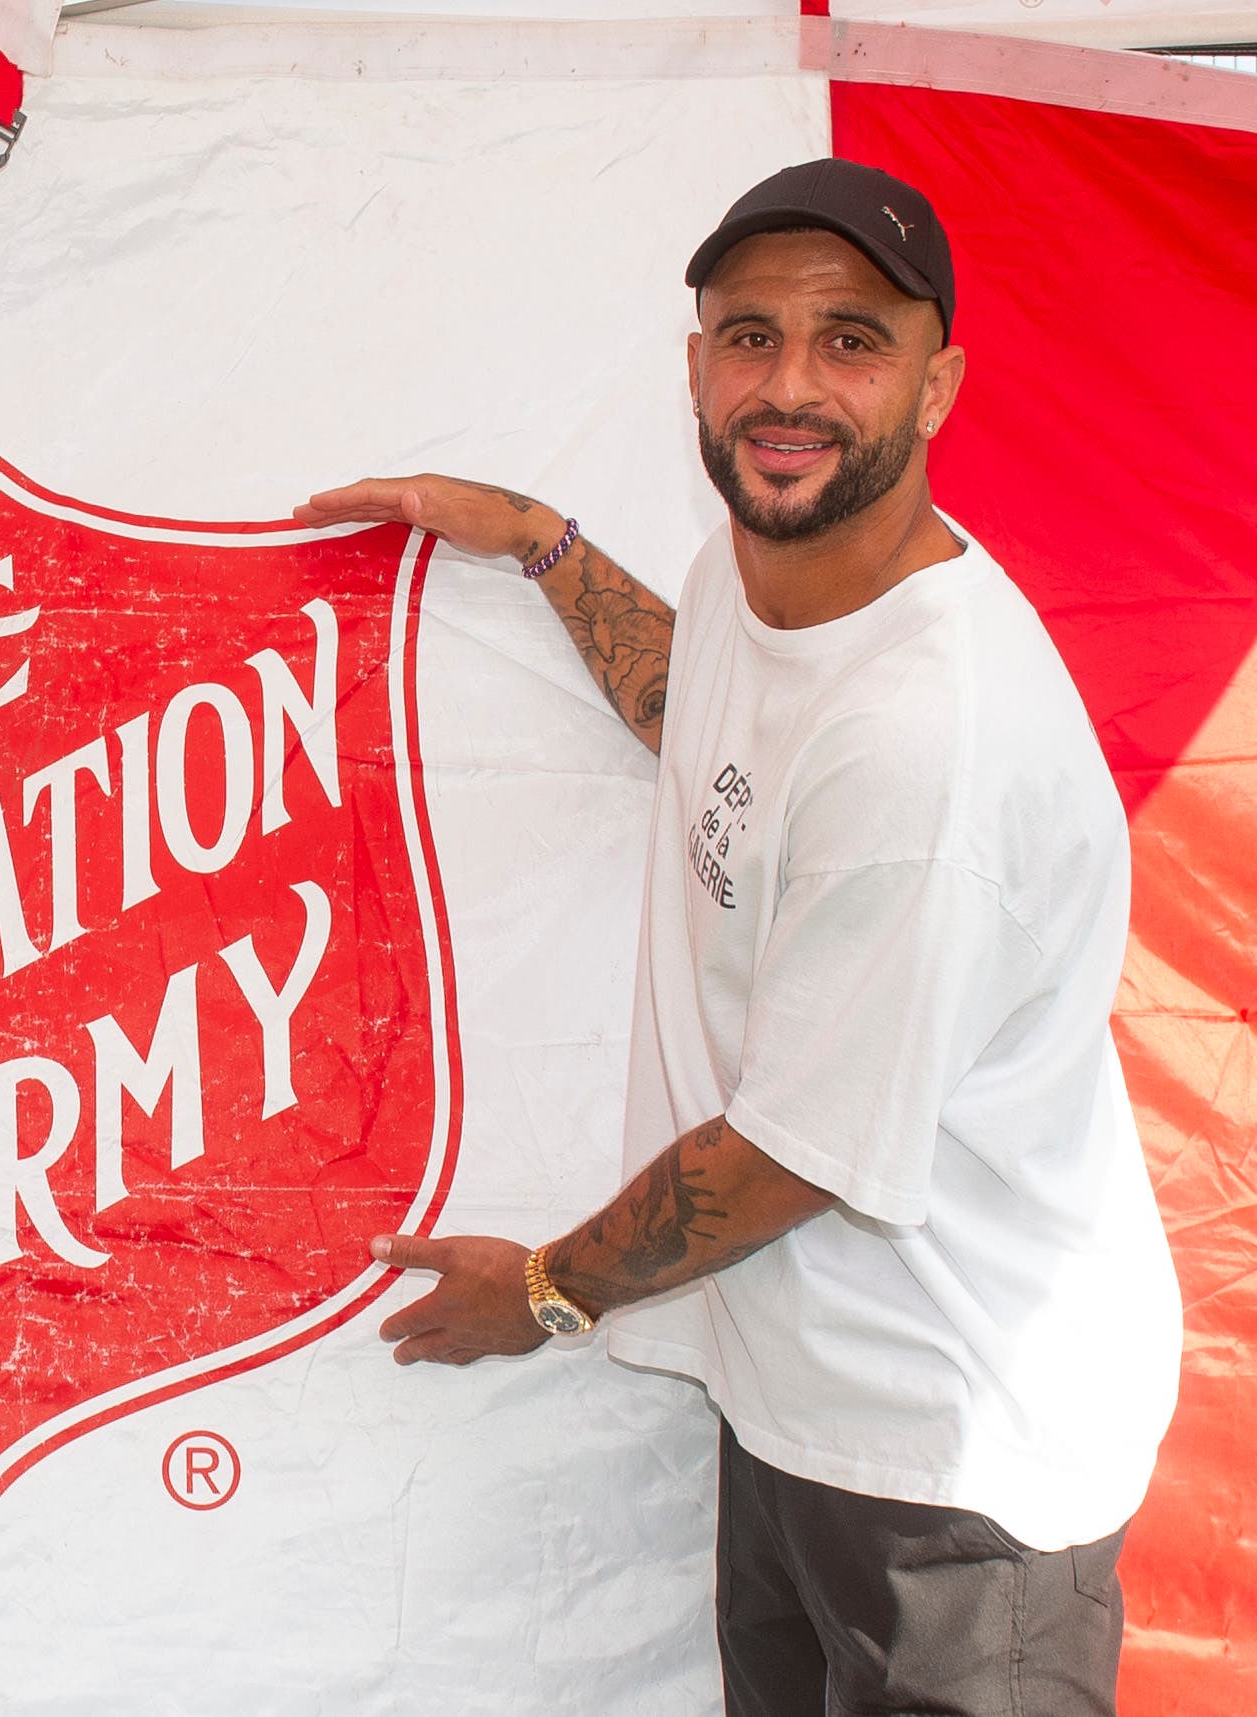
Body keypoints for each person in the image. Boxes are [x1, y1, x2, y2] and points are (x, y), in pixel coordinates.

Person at [297, 158, 1182, 1715]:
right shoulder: (763, 568)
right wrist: (539, 542)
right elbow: (697, 709)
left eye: (854, 340)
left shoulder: (931, 749)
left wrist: (550, 1290)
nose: (792, 385)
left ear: (940, 381)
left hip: (955, 1466)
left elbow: (795, 1149)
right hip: (805, 1398)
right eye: (750, 333)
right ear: (696, 361)